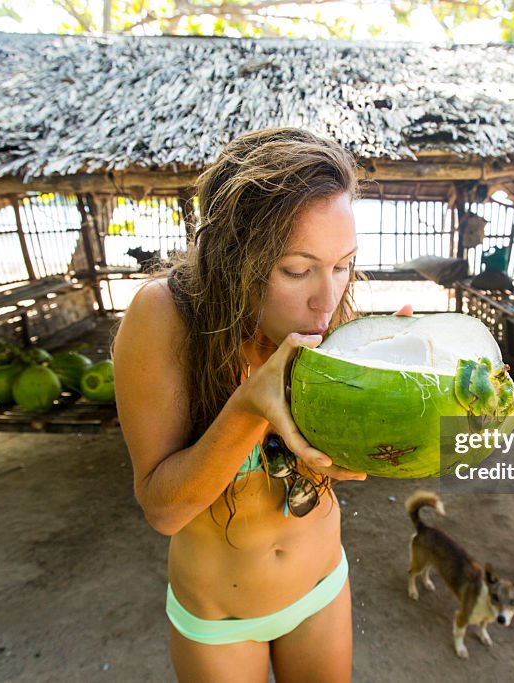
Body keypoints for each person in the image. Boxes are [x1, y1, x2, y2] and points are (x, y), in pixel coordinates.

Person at [113, 128, 410, 682]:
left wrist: (405, 394)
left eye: (343, 264)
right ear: (234, 259)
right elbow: (163, 509)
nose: (328, 298)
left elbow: (337, 466)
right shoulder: (164, 317)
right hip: (220, 619)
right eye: (297, 270)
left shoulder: (327, 316)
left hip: (322, 587)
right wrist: (249, 408)